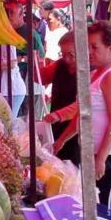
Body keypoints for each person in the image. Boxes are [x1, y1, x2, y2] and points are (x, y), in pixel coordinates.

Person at [44, 21, 111, 210]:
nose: (89, 52)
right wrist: (62, 140)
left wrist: (101, 158)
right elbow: (83, 114)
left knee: (108, 210)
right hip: (93, 152)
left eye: (95, 47)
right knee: (92, 207)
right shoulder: (96, 73)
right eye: (87, 46)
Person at [39, 31, 79, 164]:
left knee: (73, 166)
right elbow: (41, 78)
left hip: (75, 129)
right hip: (56, 125)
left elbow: (83, 104)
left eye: (71, 55)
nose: (66, 59)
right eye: (63, 54)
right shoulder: (60, 64)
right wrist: (37, 62)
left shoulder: (90, 70)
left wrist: (59, 115)